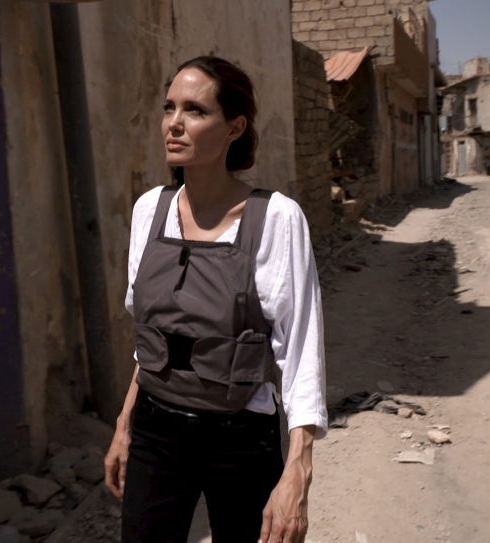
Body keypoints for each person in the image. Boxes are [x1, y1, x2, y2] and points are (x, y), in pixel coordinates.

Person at [103, 55, 328, 543]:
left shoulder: (276, 218)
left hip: (240, 438)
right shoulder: (149, 211)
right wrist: (124, 425)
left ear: (234, 128)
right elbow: (150, 341)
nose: (174, 123)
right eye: (169, 108)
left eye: (195, 110)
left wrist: (298, 469)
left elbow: (300, 351)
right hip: (156, 432)